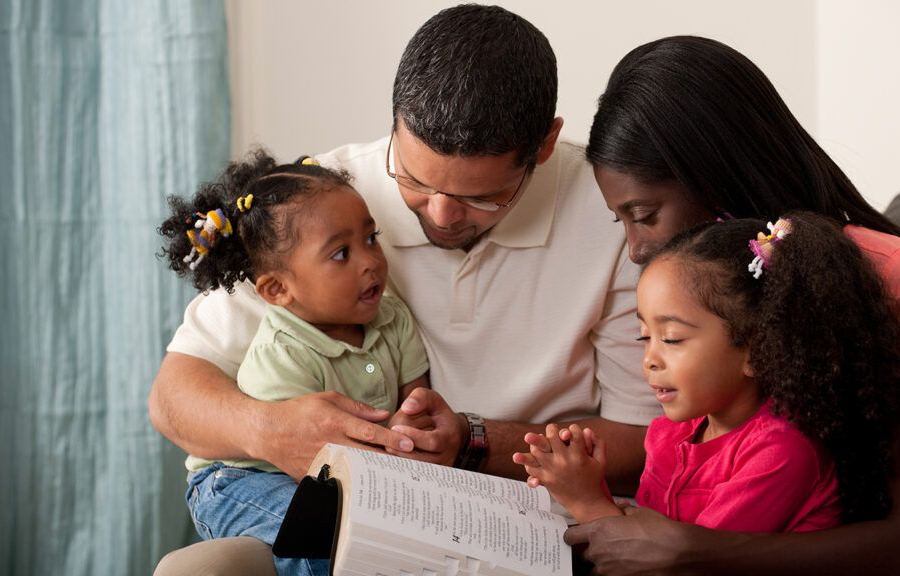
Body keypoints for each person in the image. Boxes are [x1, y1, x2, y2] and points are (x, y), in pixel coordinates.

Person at [151, 5, 658, 574]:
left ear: (543, 146)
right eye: (414, 180)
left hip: (529, 520)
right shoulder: (324, 203)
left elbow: (643, 442)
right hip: (378, 507)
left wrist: (474, 442)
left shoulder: (611, 214)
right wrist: (271, 430)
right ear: (395, 122)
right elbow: (174, 395)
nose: (441, 215)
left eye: (480, 197)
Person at [566, 35, 900, 575]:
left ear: (714, 175)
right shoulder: (704, 304)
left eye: (645, 213)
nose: (634, 249)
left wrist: (687, 551)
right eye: (622, 221)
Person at [518, 213, 900, 535]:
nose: (650, 359)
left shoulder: (782, 452)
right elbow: (647, 533)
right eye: (645, 335)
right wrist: (587, 480)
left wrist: (587, 501)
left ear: (757, 350)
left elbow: (677, 563)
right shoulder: (669, 434)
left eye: (671, 339)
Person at [158, 150, 430, 575]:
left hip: (327, 477)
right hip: (238, 480)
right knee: (323, 537)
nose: (370, 260)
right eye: (341, 253)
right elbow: (309, 462)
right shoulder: (281, 355)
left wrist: (415, 424)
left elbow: (418, 398)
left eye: (371, 238)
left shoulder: (392, 319)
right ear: (277, 290)